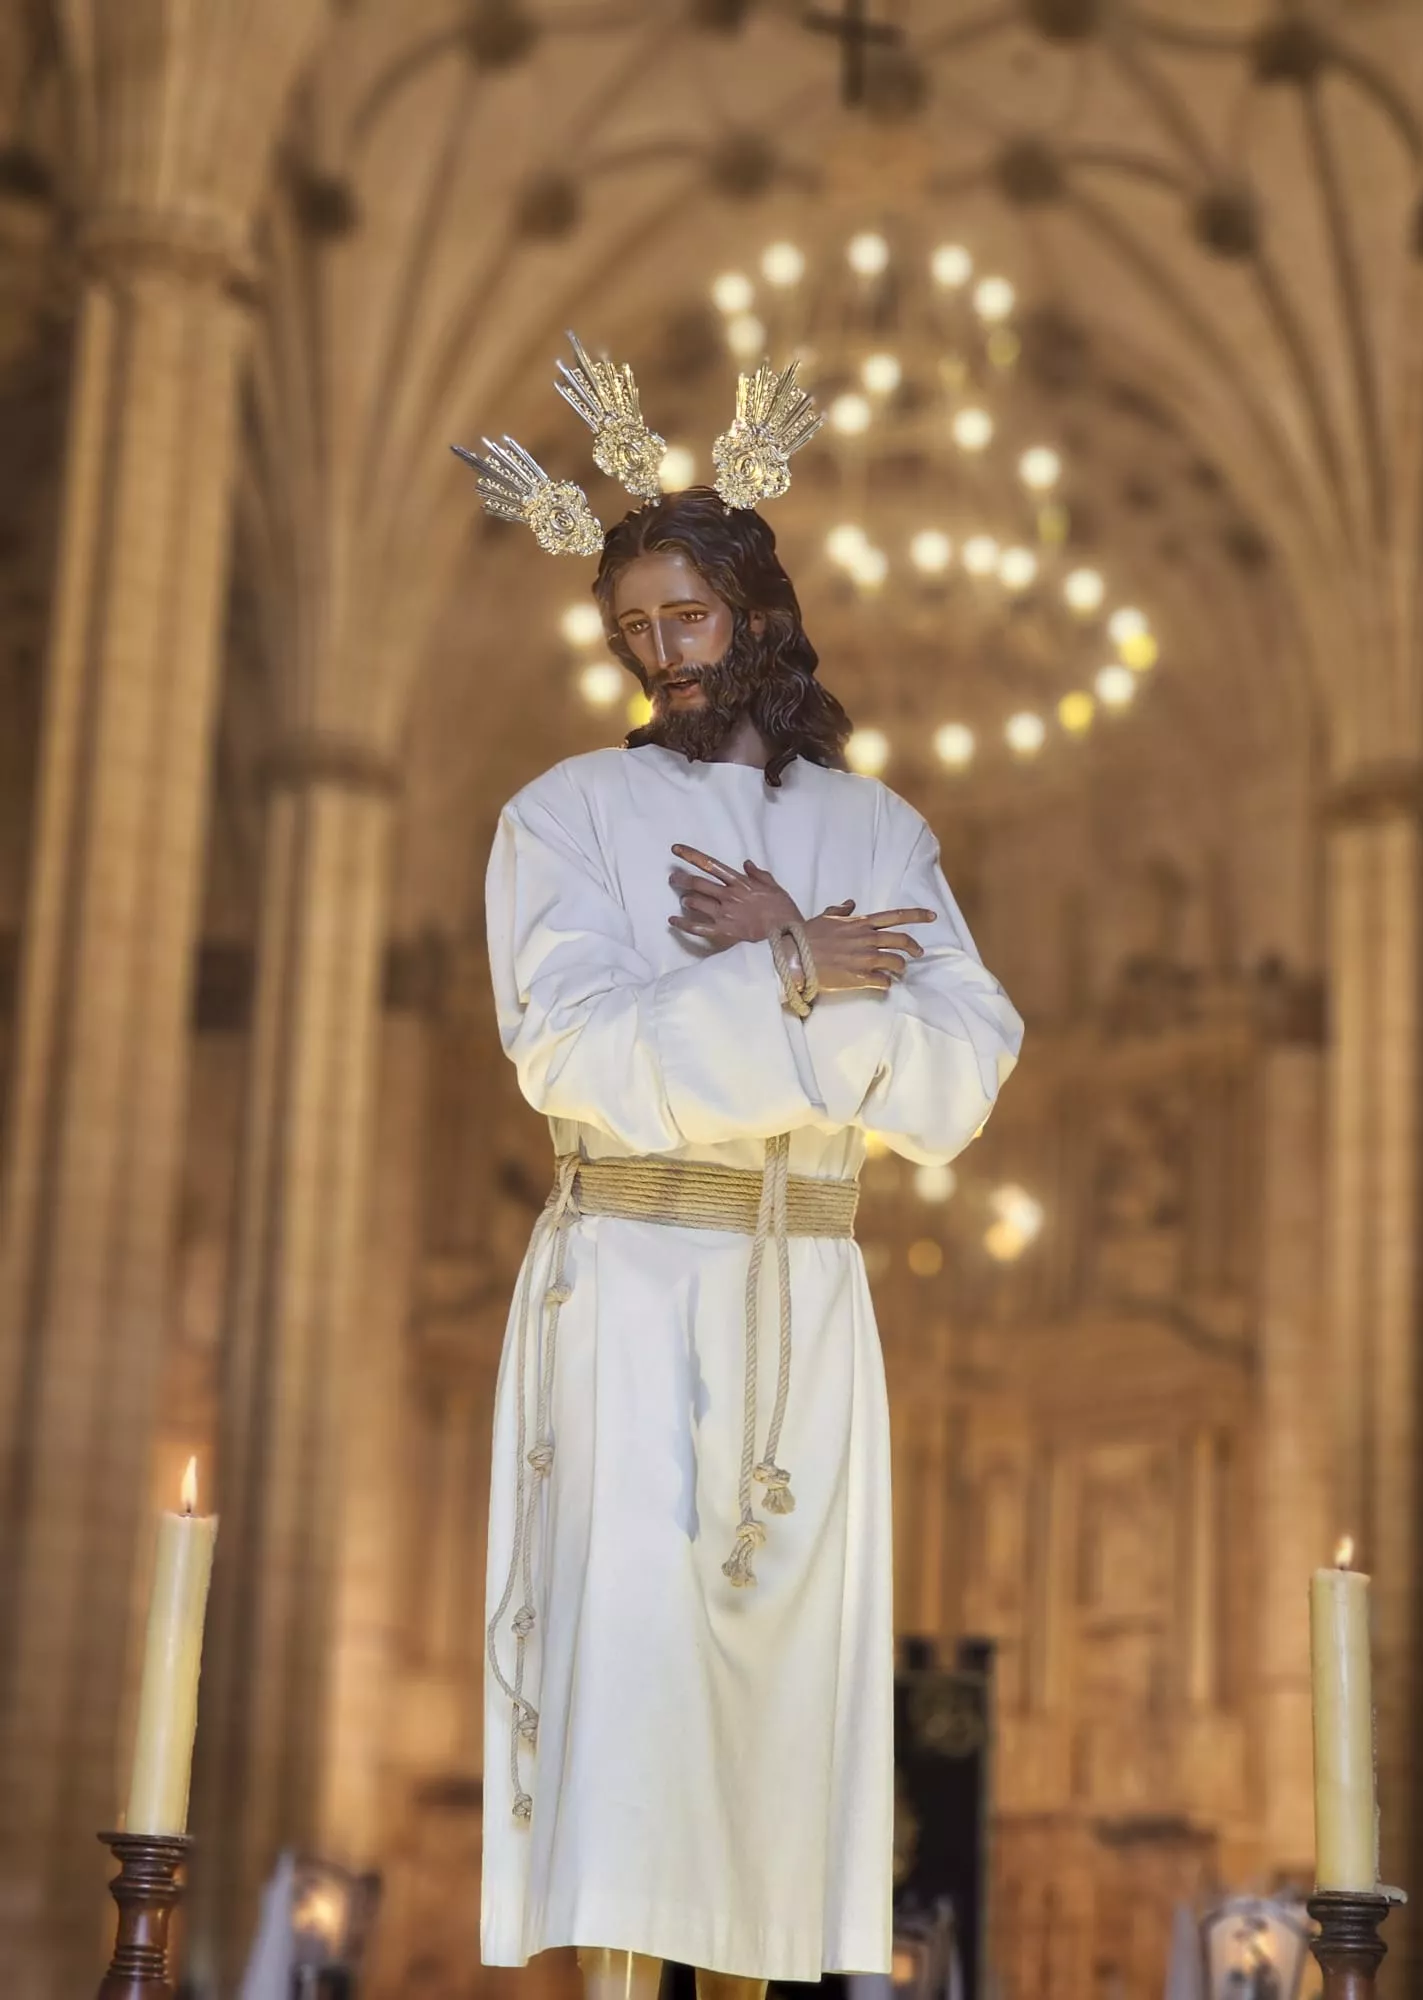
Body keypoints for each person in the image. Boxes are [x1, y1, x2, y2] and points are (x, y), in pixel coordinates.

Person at [456, 348, 1022, 2000]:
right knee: (634, 1717)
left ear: (756, 614)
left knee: (780, 1736)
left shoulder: (875, 829)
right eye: (632, 632)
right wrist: (796, 985)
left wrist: (784, 947)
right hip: (627, 1292)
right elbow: (577, 1059)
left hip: (806, 1306)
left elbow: (963, 1082)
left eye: (687, 620)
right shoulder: (561, 817)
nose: (661, 656)